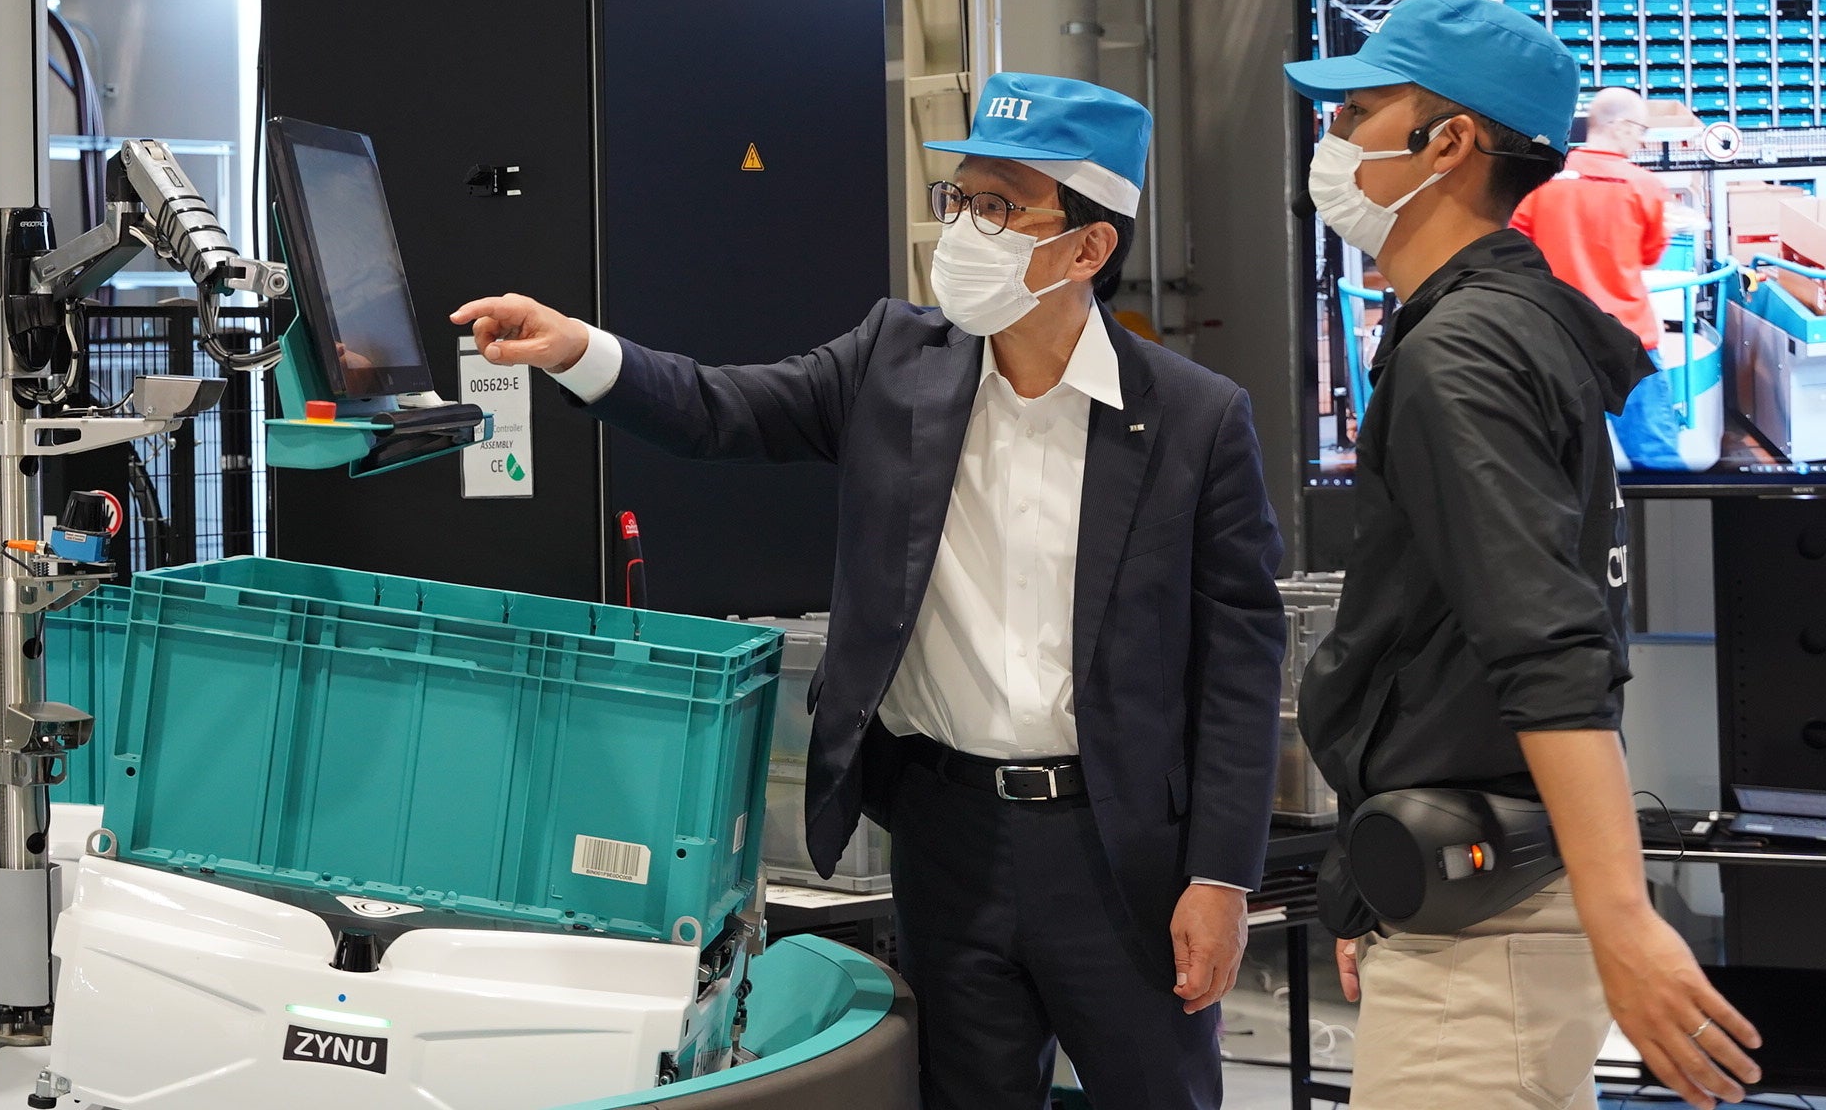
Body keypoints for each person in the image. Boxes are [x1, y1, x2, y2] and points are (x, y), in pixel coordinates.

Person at [451, 74, 1285, 1110]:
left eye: (1000, 206)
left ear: (1087, 249)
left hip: (1119, 850)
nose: (963, 229)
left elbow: (1241, 659)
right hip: (949, 835)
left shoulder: (1195, 419)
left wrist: (1220, 875)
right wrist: (581, 350)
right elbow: (721, 408)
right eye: (959, 197)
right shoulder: (895, 360)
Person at [1281, 0, 1763, 1110]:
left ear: (1445, 142)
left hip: (1483, 942)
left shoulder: (1460, 351)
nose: (1331, 139)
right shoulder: (1511, 320)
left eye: (1355, 111)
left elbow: (1546, 650)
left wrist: (1623, 918)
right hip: (1464, 891)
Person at [1509, 85, 1673, 349]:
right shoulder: (1646, 187)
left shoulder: (1542, 182)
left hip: (1559, 336)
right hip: (1627, 336)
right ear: (1621, 126)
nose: (1642, 140)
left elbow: (1517, 251)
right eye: (1641, 129)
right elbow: (1650, 256)